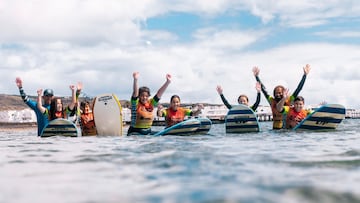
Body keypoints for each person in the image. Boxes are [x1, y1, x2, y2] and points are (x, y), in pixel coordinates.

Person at [254, 64, 311, 129]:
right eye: (276, 93)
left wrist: (304, 76)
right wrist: (257, 77)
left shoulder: (289, 100)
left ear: (284, 93)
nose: (278, 94)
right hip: (275, 130)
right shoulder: (272, 101)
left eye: (280, 93)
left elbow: (298, 89)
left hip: (286, 130)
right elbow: (264, 90)